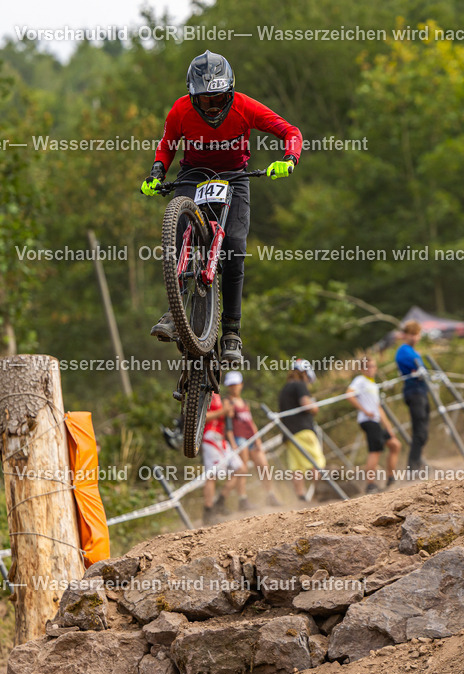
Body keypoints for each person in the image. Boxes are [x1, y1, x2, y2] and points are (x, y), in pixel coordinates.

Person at [142, 50, 303, 368]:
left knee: (234, 246)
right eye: (206, 100)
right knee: (176, 224)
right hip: (194, 173)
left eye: (218, 98)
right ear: (192, 97)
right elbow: (168, 143)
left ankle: (231, 332)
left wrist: (289, 159)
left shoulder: (245, 106)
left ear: (230, 91)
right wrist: (158, 171)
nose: (213, 106)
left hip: (236, 176)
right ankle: (177, 311)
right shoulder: (180, 110)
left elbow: (290, 131)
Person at [224, 370, 281, 507]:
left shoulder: (244, 402)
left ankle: (270, 494)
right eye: (231, 385)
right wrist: (232, 442)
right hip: (238, 438)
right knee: (243, 469)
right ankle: (242, 499)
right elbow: (228, 425)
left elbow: (250, 422)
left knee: (263, 466)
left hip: (251, 437)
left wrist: (257, 438)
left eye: (235, 384)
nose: (234, 387)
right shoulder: (227, 402)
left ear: (241, 384)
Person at [346, 357, 401, 493]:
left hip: (376, 421)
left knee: (395, 445)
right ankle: (370, 484)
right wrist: (364, 410)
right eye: (368, 366)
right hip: (368, 421)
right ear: (362, 369)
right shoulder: (360, 380)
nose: (371, 369)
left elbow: (379, 408)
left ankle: (391, 477)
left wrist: (388, 427)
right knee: (375, 451)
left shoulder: (373, 384)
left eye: (373, 366)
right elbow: (349, 395)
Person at [277, 359, 325, 501]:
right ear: (304, 374)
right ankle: (320, 493)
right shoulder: (300, 385)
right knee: (317, 463)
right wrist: (314, 406)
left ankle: (301, 497)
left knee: (297, 468)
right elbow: (306, 404)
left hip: (289, 434)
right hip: (304, 431)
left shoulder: (284, 389)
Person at [200, 391, 248, 525]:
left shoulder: (218, 394)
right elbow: (201, 417)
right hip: (209, 436)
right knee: (212, 475)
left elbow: (227, 415)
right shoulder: (203, 392)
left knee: (240, 468)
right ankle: (208, 511)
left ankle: (220, 501)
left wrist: (228, 412)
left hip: (221, 438)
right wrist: (223, 411)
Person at [394, 321, 431, 471]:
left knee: (423, 431)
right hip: (414, 392)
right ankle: (413, 468)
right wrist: (418, 369)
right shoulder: (404, 351)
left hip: (422, 392)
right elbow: (409, 364)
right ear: (406, 335)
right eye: (412, 334)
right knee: (419, 432)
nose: (415, 337)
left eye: (417, 334)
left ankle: (418, 464)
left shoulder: (413, 351)